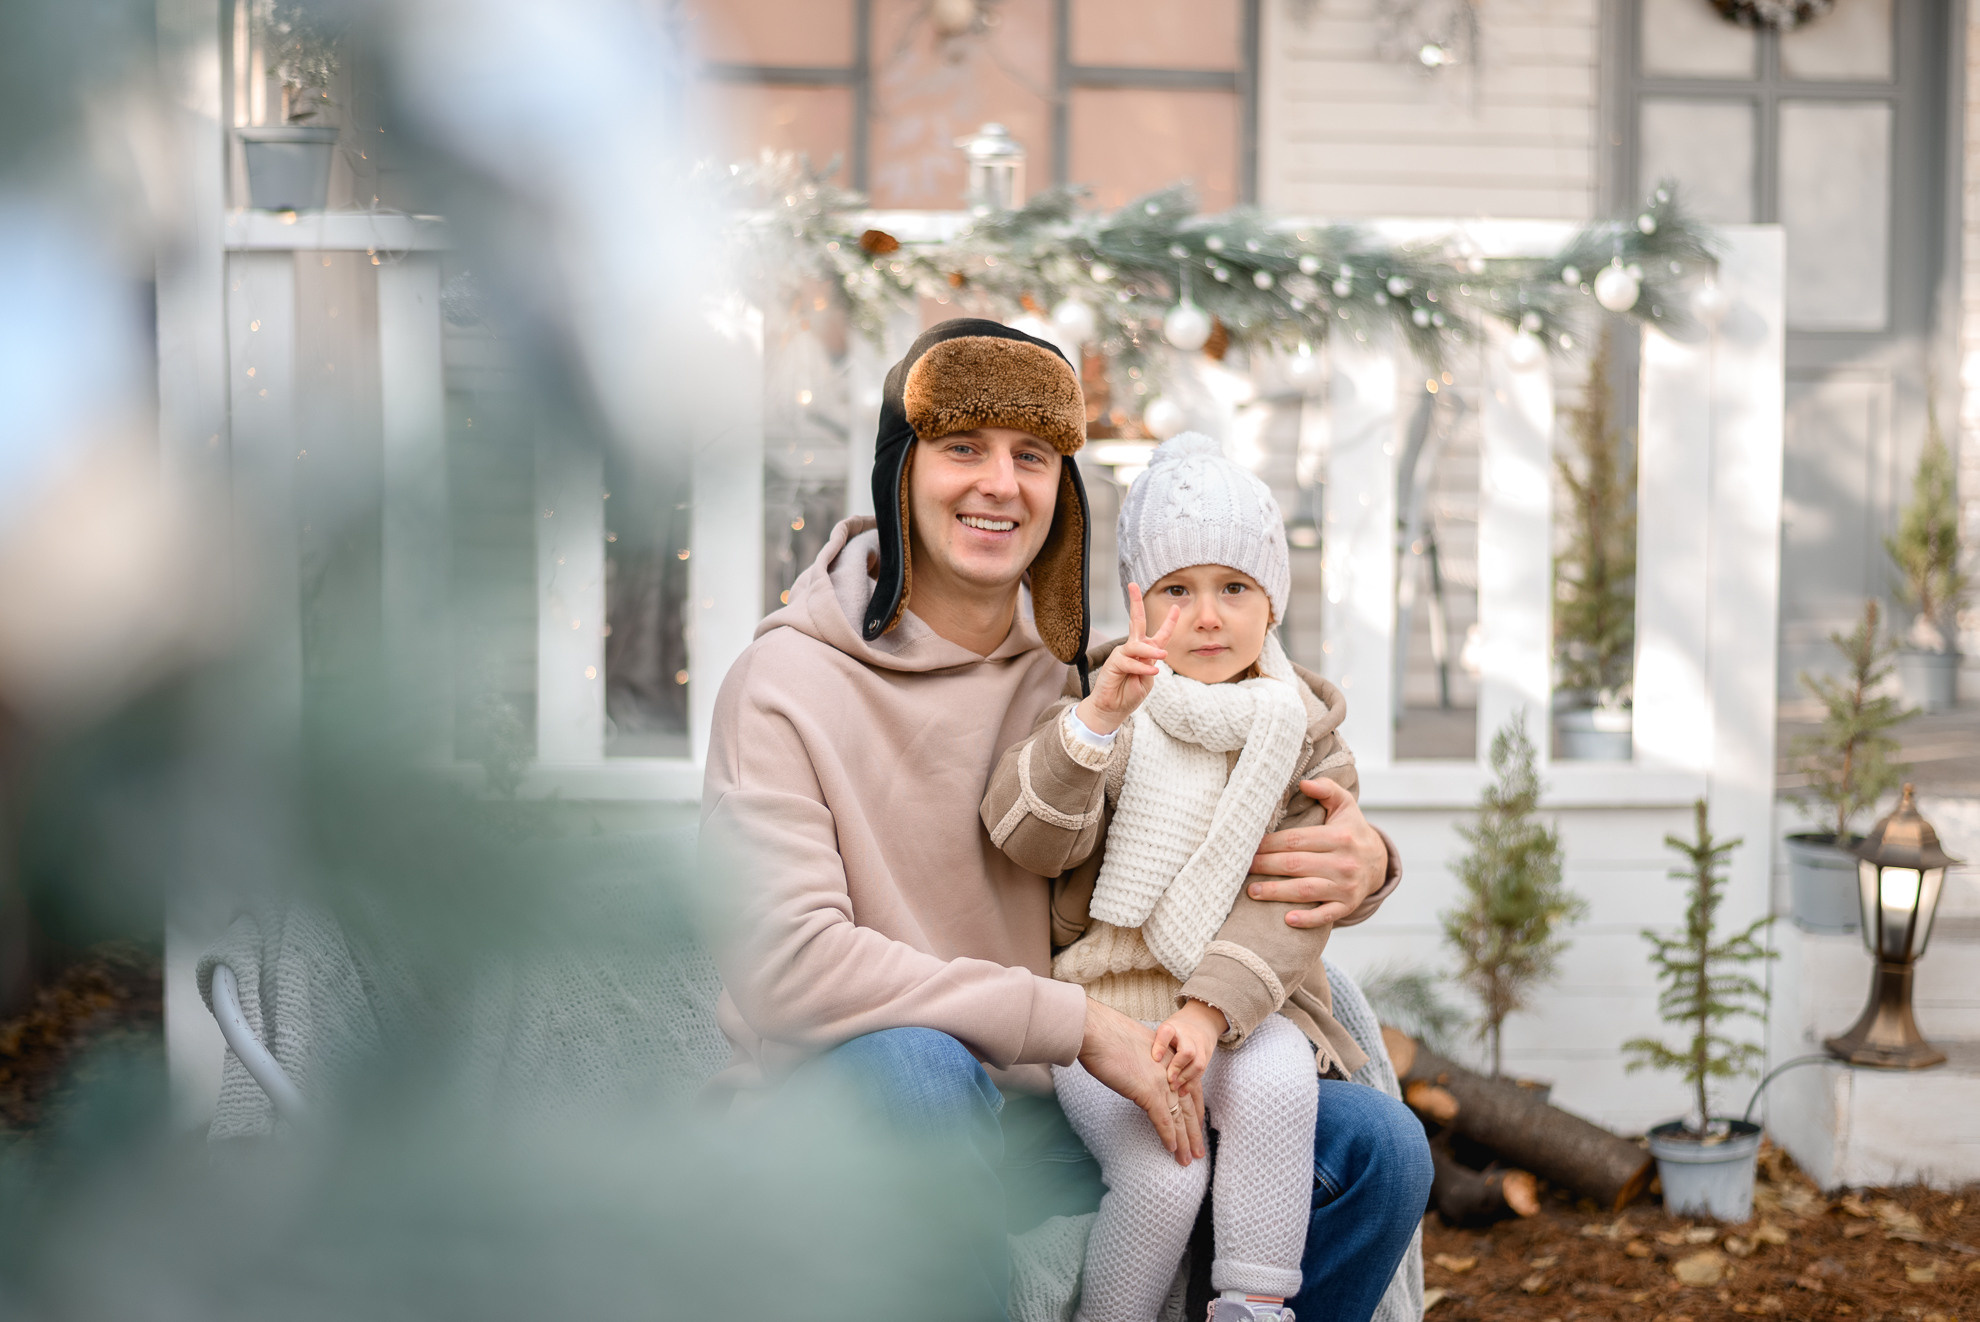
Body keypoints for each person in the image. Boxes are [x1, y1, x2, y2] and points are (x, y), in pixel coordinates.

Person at [702, 318, 1427, 1320]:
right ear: (901, 471)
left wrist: (1367, 858)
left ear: (1063, 492)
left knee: (1376, 1150)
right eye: (963, 446)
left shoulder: (1095, 683)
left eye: (1032, 456)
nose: (1000, 483)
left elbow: (1232, 811)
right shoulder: (781, 682)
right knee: (912, 1060)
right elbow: (789, 962)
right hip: (860, 1104)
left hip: (1055, 1113)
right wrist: (1077, 1023)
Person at [982, 432, 1379, 1322]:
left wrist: (1207, 1014)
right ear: (1138, 603)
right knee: (1165, 1178)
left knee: (1279, 1083)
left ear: (1271, 602)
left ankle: (1252, 1303)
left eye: (1234, 588)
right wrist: (1095, 724)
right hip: (1108, 1007)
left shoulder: (1303, 733)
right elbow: (1026, 838)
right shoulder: (1109, 698)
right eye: (1177, 590)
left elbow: (1289, 908)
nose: (1207, 616)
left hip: (1234, 1009)